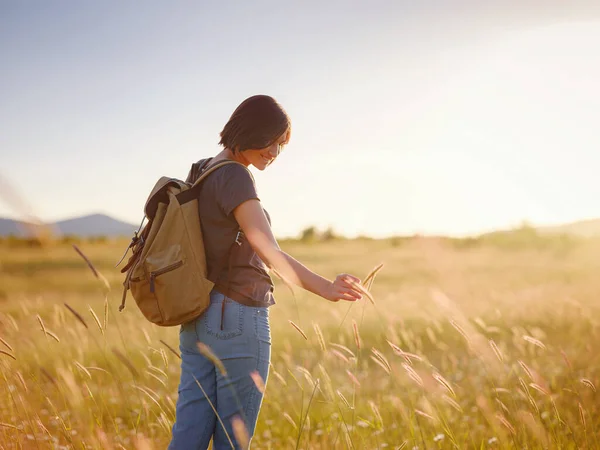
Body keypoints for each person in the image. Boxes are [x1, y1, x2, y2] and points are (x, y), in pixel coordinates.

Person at [168, 95, 364, 449]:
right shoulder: (235, 176)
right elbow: (267, 248)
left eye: (281, 145)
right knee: (234, 440)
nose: (274, 152)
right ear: (249, 130)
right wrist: (327, 287)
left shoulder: (202, 169)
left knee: (188, 436)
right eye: (270, 140)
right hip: (238, 317)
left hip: (197, 315)